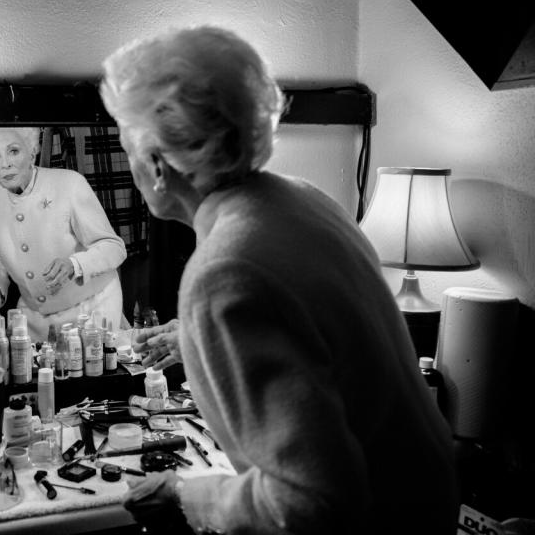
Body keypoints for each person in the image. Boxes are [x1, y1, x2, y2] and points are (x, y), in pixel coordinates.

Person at [99, 26, 457, 534]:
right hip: (428, 505)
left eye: (127, 146)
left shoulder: (225, 272)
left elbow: (309, 503)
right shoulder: (304, 199)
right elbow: (316, 331)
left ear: (157, 166)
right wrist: (202, 339)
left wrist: (187, 494)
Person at [0, 126, 127, 340]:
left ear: (32, 152)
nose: (5, 163)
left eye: (13, 151)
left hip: (93, 313)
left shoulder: (69, 183)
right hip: (34, 322)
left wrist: (74, 264)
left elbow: (114, 248)